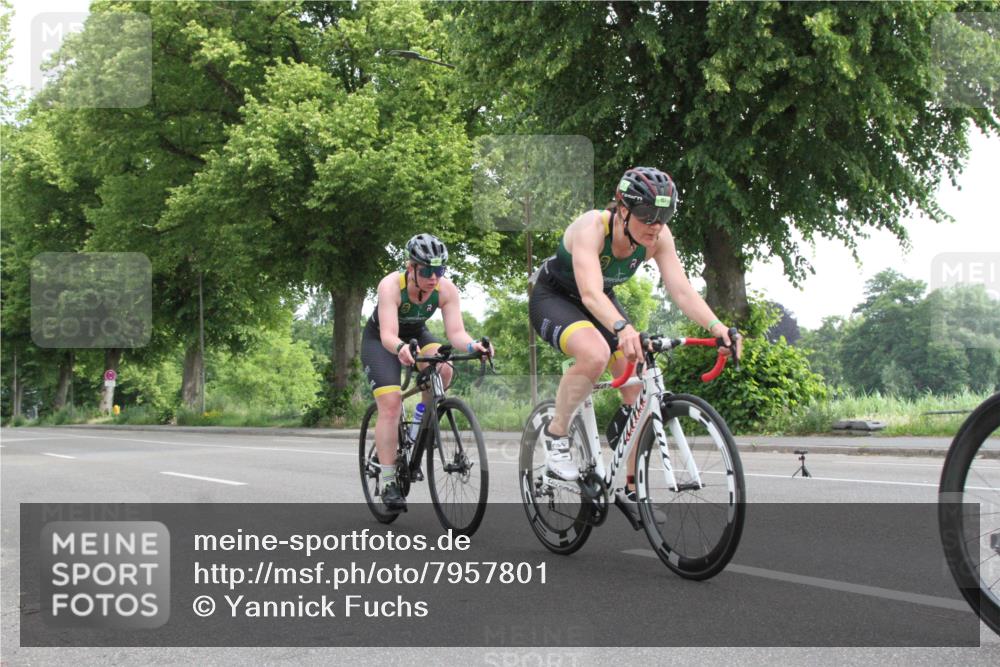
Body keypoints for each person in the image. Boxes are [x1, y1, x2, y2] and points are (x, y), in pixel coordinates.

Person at [528, 166, 741, 503]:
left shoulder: (658, 237)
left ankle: (631, 488)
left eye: (664, 216)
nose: (656, 225)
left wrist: (718, 328)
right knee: (595, 353)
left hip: (602, 302)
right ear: (623, 210)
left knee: (639, 386)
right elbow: (591, 295)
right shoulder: (591, 227)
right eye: (647, 216)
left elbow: (682, 291)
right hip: (556, 298)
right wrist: (623, 329)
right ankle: (557, 436)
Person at [361, 233, 493, 513]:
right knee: (391, 404)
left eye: (440, 270)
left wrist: (474, 345)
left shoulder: (445, 290)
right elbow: (387, 334)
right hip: (383, 341)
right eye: (427, 271)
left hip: (416, 335)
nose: (434, 277)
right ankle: (388, 482)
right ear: (411, 268)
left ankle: (418, 429)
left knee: (443, 368)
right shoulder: (390, 286)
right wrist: (399, 348)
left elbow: (456, 333)